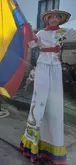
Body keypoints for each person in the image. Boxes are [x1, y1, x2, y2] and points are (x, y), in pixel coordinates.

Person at [19, 10, 76, 165]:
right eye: (51, 17)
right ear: (47, 19)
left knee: (56, 105)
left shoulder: (65, 32)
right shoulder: (42, 33)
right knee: (38, 103)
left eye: (57, 17)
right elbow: (32, 43)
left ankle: (53, 146)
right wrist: (29, 32)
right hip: (43, 66)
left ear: (60, 19)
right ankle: (32, 144)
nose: (54, 19)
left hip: (56, 67)